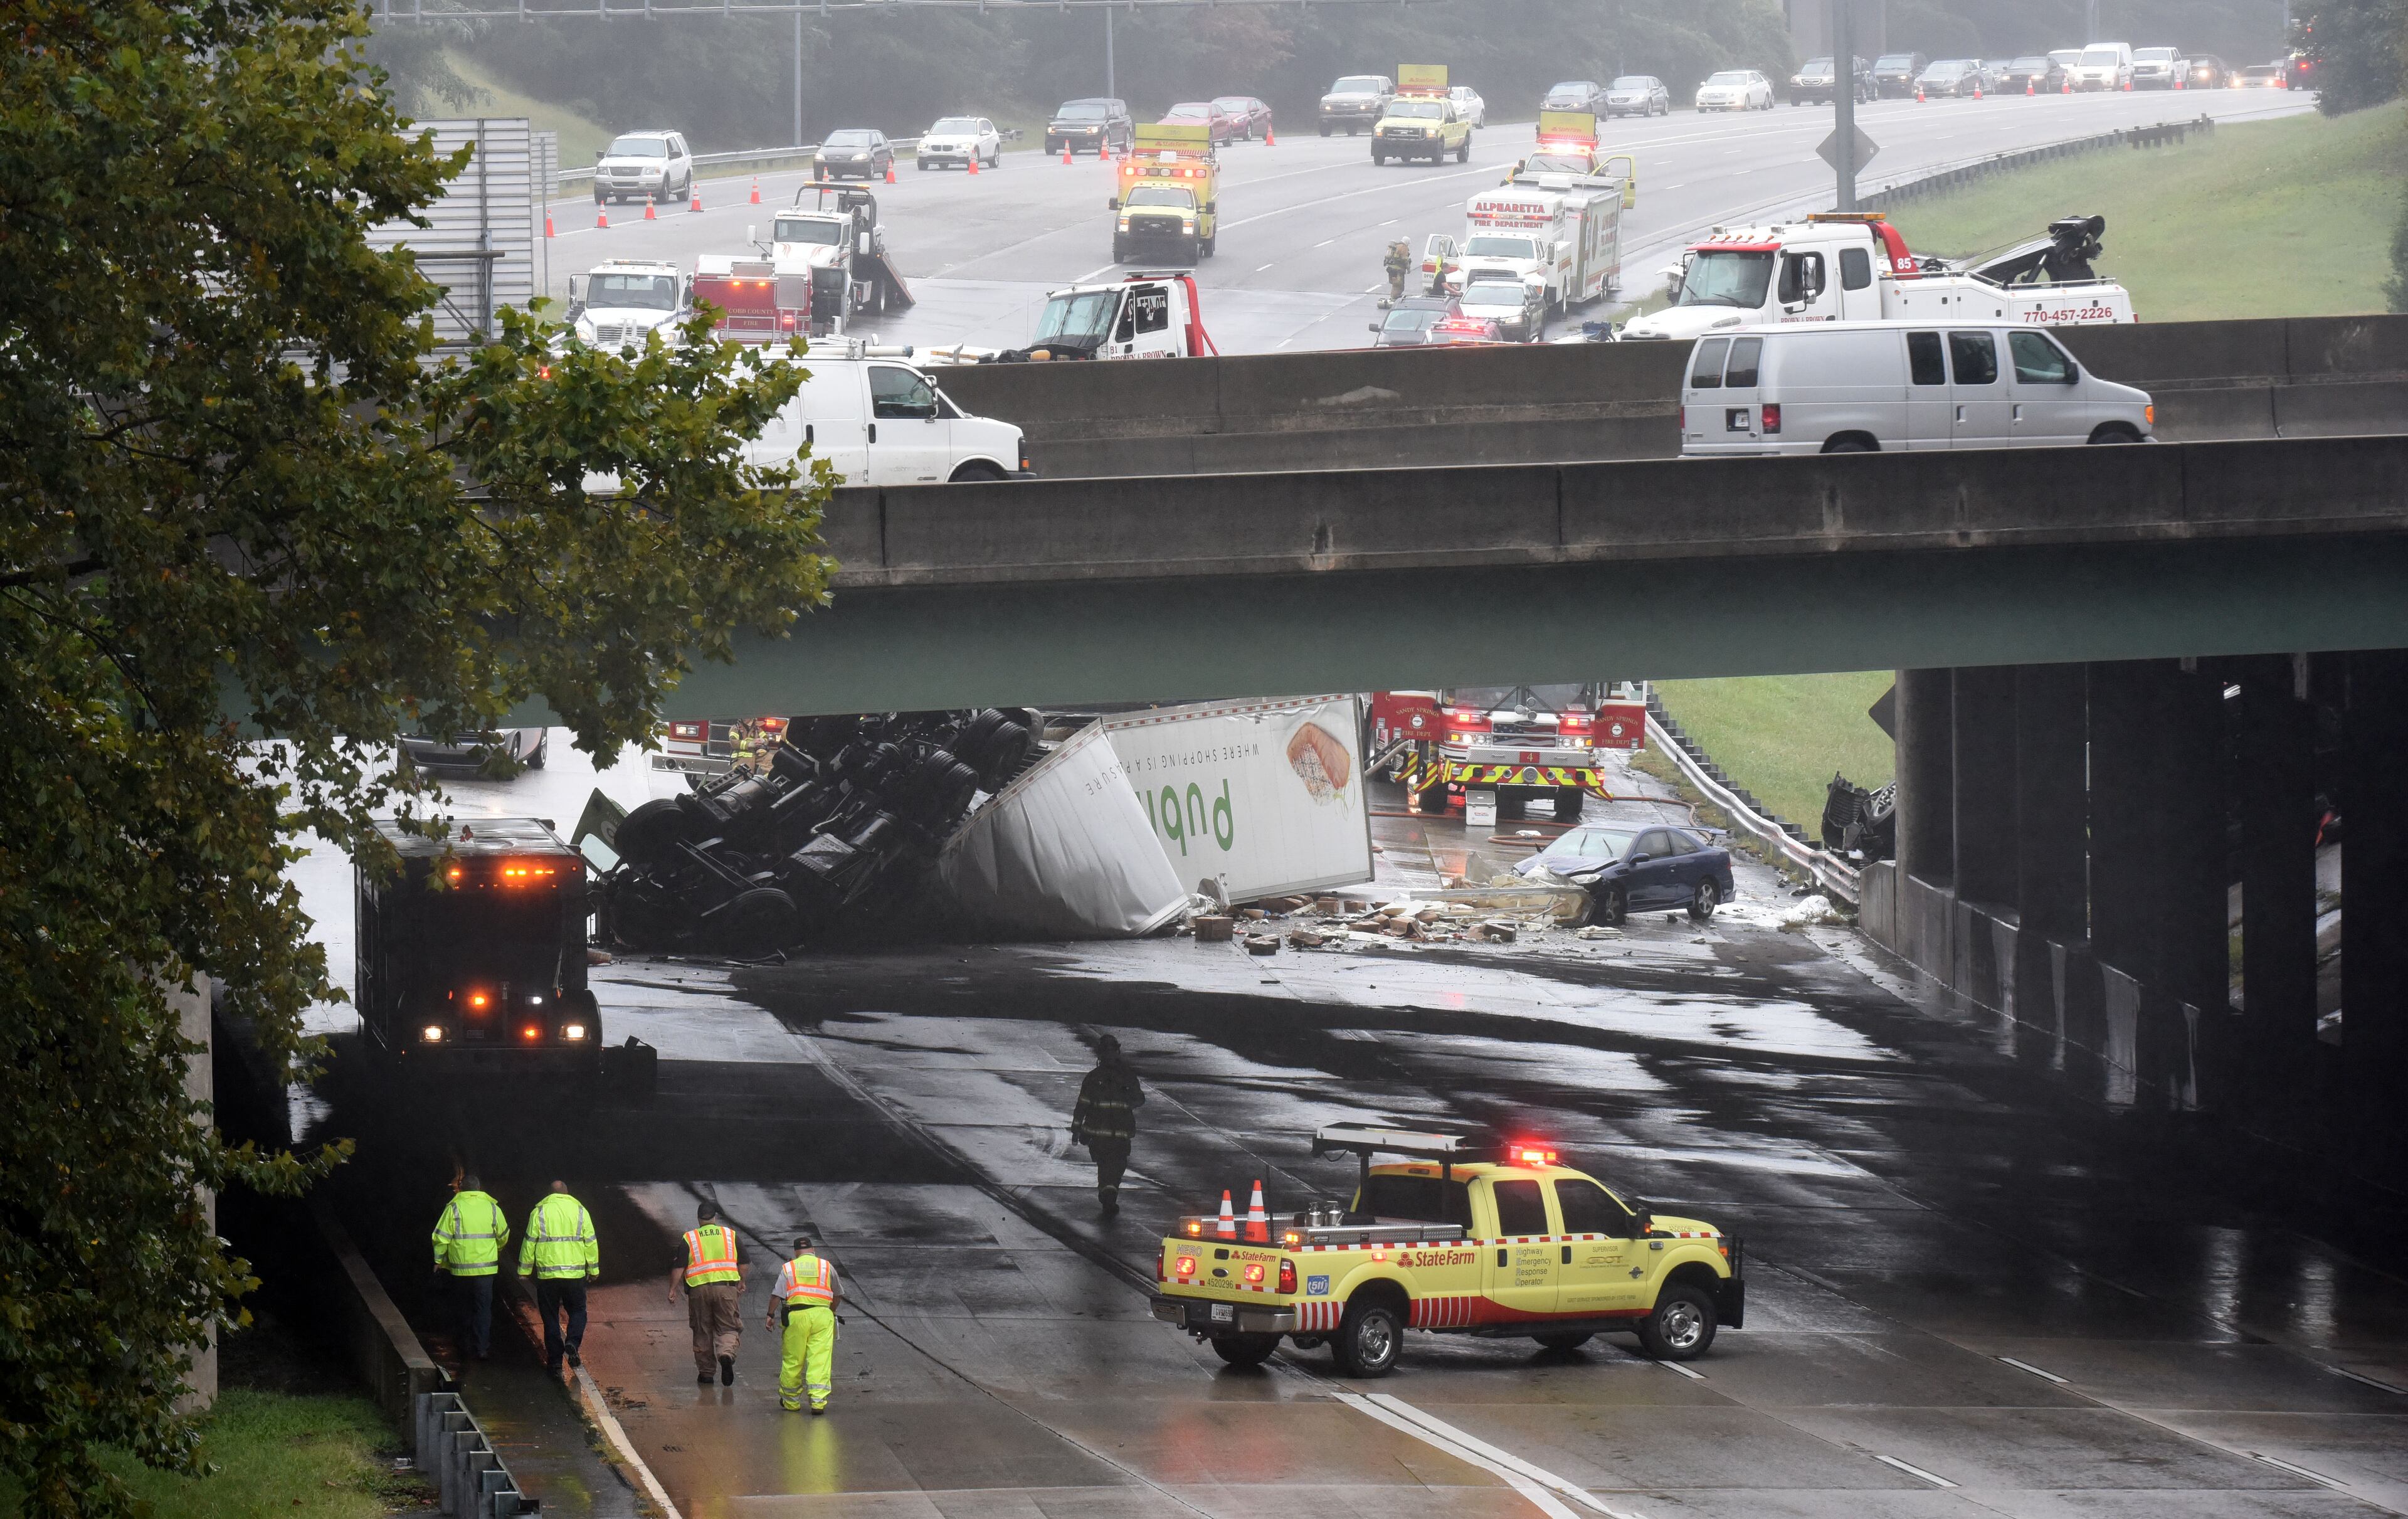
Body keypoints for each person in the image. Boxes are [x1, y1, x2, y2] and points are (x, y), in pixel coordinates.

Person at [518, 1180, 599, 1373]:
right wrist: (593, 1269)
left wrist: (524, 1270)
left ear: (550, 1194)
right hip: (574, 1274)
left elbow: (530, 1242)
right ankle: (572, 1341)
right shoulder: (581, 1211)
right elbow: (590, 1241)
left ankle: (555, 1361)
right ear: (567, 1193)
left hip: (548, 1275)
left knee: (551, 1317)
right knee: (579, 1311)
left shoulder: (540, 1212)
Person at [431, 1174, 510, 1362]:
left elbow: (441, 1237)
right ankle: (482, 1348)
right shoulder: (492, 1208)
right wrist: (496, 1249)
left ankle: (464, 1346)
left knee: (463, 1308)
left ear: (462, 1189)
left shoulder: (454, 1208)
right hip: (486, 1270)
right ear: (480, 1188)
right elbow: (504, 1234)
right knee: (483, 1309)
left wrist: (439, 1260)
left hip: (461, 1270)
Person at [667, 1200, 744, 1385]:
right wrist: (742, 1281)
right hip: (726, 1289)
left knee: (702, 1330)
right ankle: (726, 1354)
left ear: (699, 1219)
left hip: (698, 1291)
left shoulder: (690, 1238)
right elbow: (745, 1262)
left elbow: (680, 1266)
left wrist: (672, 1290)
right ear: (715, 1217)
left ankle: (707, 1374)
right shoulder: (730, 1235)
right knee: (728, 1327)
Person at [764, 1234, 840, 1414]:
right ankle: (818, 1402)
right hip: (822, 1315)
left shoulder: (789, 1267)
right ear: (813, 1251)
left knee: (793, 1360)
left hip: (796, 1316)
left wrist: (770, 1315)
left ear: (796, 1252)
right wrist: (831, 1310)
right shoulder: (826, 1266)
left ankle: (791, 1402)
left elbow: (777, 1295)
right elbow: (838, 1293)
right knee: (819, 1359)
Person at [1070, 1034, 1145, 1215]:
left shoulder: (1093, 1078)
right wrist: (1126, 1101)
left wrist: (1076, 1129)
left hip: (1099, 1137)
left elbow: (1082, 1105)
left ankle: (1107, 1196)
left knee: (1105, 1168)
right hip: (1120, 1135)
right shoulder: (1127, 1076)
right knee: (1116, 1168)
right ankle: (1109, 1196)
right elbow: (1140, 1099)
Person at [1382, 240, 1411, 305]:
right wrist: (1408, 268)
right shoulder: (1404, 247)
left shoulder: (1396, 246)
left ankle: (1393, 297)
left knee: (1395, 284)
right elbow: (1405, 259)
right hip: (1399, 270)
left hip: (1391, 269)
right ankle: (1394, 299)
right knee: (1399, 285)